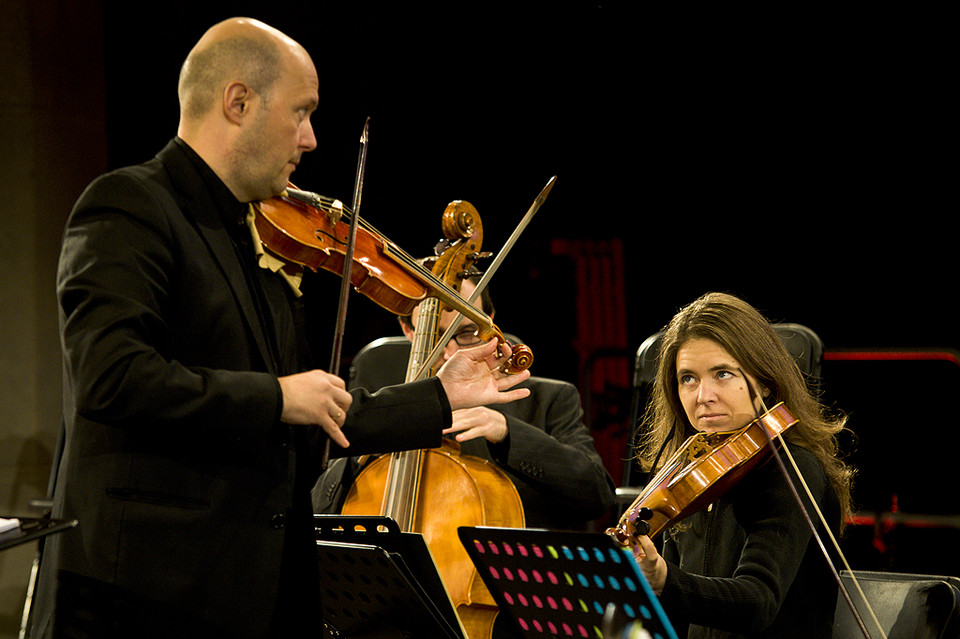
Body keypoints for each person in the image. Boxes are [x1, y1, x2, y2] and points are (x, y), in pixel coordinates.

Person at [32, 17, 530, 639]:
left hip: (251, 596)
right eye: (301, 112)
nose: (312, 138)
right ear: (238, 102)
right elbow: (111, 377)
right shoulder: (129, 206)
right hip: (149, 596)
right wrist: (277, 396)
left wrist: (441, 394)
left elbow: (314, 412)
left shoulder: (256, 236)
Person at [313, 275, 617, 532]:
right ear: (408, 331)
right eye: (434, 335)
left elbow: (597, 496)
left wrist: (506, 430)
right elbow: (317, 505)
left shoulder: (547, 398)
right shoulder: (385, 403)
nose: (450, 353)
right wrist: (362, 454)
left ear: (490, 321)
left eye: (467, 332)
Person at [629, 292, 854, 638]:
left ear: (764, 380)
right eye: (688, 378)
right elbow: (674, 617)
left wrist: (663, 579)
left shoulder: (791, 468)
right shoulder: (686, 474)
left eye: (722, 374)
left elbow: (757, 601)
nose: (703, 395)